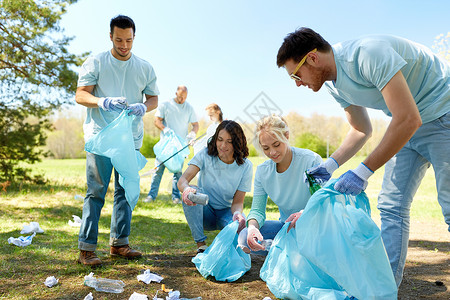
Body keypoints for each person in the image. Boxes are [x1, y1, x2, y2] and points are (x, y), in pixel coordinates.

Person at [277, 27, 450, 286]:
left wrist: (363, 171)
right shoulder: (335, 87)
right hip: (406, 124)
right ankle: (387, 287)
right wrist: (329, 166)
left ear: (312, 58)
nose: (298, 83)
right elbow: (361, 129)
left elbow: (409, 118)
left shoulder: (368, 55)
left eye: (296, 75)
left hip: (442, 113)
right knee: (392, 205)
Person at [75, 15, 159, 266]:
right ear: (110, 36)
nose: (124, 45)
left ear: (134, 38)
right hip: (100, 136)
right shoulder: (96, 62)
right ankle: (86, 249)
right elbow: (80, 95)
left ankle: (119, 243)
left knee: (124, 191)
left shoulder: (145, 67)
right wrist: (102, 101)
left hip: (130, 139)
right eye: (119, 39)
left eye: (129, 40)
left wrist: (143, 108)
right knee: (97, 190)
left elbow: (153, 98)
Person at [237, 114, 322, 254]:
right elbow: (258, 210)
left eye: (276, 144)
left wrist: (303, 214)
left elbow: (323, 200)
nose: (272, 152)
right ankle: (286, 250)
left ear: (286, 136)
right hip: (286, 227)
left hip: (315, 227)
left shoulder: (310, 161)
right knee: (245, 236)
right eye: (265, 148)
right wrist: (252, 227)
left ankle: (287, 251)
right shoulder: (263, 171)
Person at [177, 120, 253, 254]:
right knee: (192, 192)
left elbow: (238, 202)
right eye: (220, 139)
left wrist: (237, 214)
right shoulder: (205, 154)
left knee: (240, 235)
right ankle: (201, 245)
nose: (223, 145)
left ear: (237, 143)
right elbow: (182, 180)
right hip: (205, 212)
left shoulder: (246, 166)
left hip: (227, 213)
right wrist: (187, 189)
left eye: (229, 141)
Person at [145, 85, 199, 204]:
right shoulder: (166, 104)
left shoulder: (189, 107)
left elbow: (195, 124)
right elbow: (157, 120)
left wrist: (192, 134)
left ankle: (176, 198)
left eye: (184, 97)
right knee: (157, 171)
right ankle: (151, 196)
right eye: (180, 97)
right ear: (176, 93)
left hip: (180, 147)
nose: (182, 100)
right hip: (165, 145)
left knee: (178, 173)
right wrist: (164, 129)